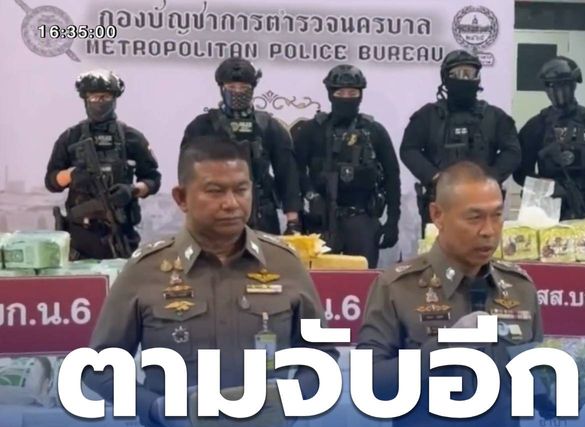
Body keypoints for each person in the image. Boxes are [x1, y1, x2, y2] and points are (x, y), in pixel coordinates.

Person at [83, 136, 338, 427]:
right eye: (215, 191)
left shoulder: (284, 263)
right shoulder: (146, 269)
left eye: (241, 190)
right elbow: (98, 369)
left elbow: (323, 356)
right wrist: (155, 409)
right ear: (181, 198)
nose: (231, 203)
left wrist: (292, 402)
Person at [356, 161, 543, 427]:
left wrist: (561, 386)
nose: (489, 230)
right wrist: (442, 349)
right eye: (474, 218)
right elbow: (369, 384)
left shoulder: (519, 287)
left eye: (497, 216)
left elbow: (534, 392)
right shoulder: (398, 287)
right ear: (438, 215)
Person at [400, 50, 521, 236]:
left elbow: (512, 152)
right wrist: (434, 176)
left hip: (482, 202)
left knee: (481, 248)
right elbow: (409, 149)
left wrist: (490, 177)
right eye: (457, 74)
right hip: (441, 199)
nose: (464, 79)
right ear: (445, 78)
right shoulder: (428, 116)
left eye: (470, 73)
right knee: (438, 250)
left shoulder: (495, 117)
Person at [292, 64, 401, 268]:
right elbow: (294, 170)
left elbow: (392, 177)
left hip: (362, 219)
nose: (346, 98)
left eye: (352, 93)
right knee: (319, 279)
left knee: (363, 280)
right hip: (321, 220)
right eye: (340, 93)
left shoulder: (374, 131)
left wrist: (393, 222)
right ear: (330, 94)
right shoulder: (312, 130)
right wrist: (310, 196)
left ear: (361, 95)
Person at [45, 69, 161, 260]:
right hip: (80, 236)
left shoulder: (132, 137)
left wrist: (132, 190)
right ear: (85, 99)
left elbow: (153, 179)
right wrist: (71, 176)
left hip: (121, 231)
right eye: (94, 97)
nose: (99, 102)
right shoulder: (70, 137)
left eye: (105, 97)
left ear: (114, 99)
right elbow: (51, 181)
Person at [181, 57, 301, 236]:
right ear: (221, 88)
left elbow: (287, 173)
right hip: (215, 208)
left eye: (243, 88)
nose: (237, 92)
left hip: (261, 211)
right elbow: (187, 174)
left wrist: (293, 220)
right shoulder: (202, 126)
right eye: (231, 87)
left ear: (252, 89)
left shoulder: (268, 125)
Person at [514, 56, 585, 220]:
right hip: (546, 209)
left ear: (574, 84)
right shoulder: (535, 127)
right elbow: (520, 172)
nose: (558, 92)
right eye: (552, 86)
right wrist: (546, 185)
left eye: (564, 85)